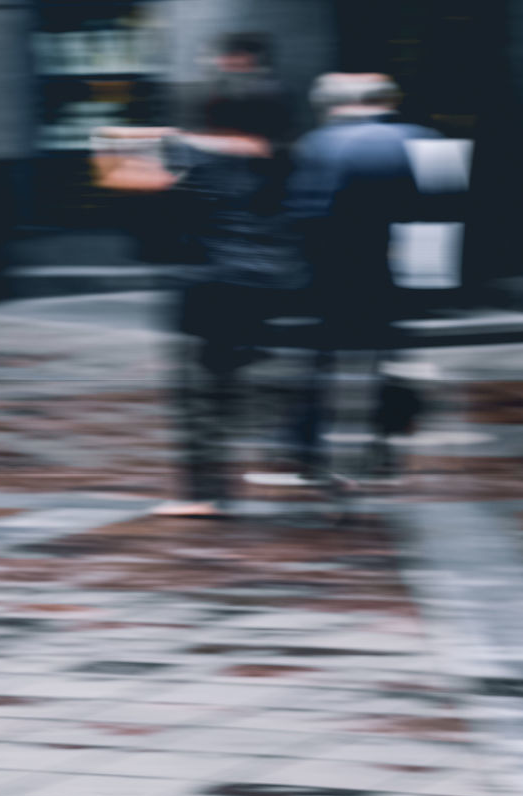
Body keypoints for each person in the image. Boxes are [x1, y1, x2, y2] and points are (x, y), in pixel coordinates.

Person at [93, 52, 305, 517]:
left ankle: (206, 493)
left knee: (199, 391)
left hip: (208, 284)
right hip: (271, 278)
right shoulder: (283, 155)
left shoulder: (188, 151)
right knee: (248, 373)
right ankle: (293, 448)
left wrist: (162, 137)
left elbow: (110, 162)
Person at [286, 73, 441, 479]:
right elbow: (444, 211)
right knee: (387, 357)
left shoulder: (317, 143)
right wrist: (432, 281)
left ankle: (309, 444)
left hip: (332, 273)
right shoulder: (427, 139)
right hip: (395, 271)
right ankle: (382, 444)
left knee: (327, 360)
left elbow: (302, 217)